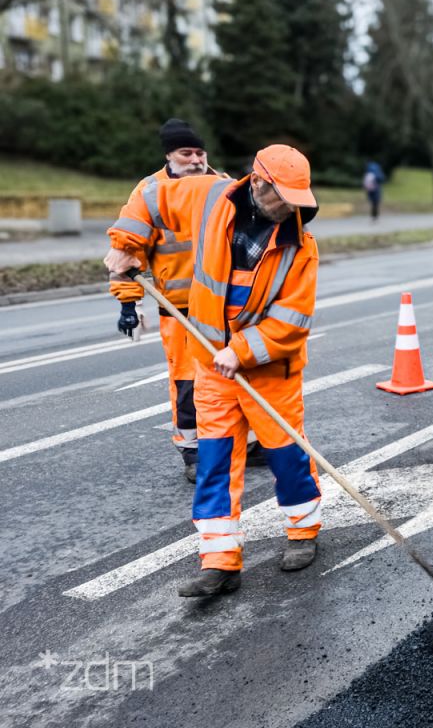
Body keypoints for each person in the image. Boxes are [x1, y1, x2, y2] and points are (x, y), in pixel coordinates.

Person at [105, 144, 322, 597]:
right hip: (211, 366)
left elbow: (293, 319)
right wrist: (125, 248)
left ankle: (303, 532)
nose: (289, 210)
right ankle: (220, 559)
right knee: (215, 464)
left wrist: (241, 350)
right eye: (283, 198)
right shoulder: (210, 198)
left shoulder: (300, 246)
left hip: (268, 371)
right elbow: (149, 198)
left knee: (286, 457)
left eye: (296, 201)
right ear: (258, 182)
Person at [108, 119, 217, 483]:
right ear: (169, 155)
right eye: (186, 153)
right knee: (187, 382)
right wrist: (127, 303)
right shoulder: (150, 192)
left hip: (223, 307)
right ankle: (193, 451)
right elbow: (126, 249)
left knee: (232, 377)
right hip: (179, 309)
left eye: (200, 153)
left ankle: (244, 444)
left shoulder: (221, 186)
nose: (195, 160)